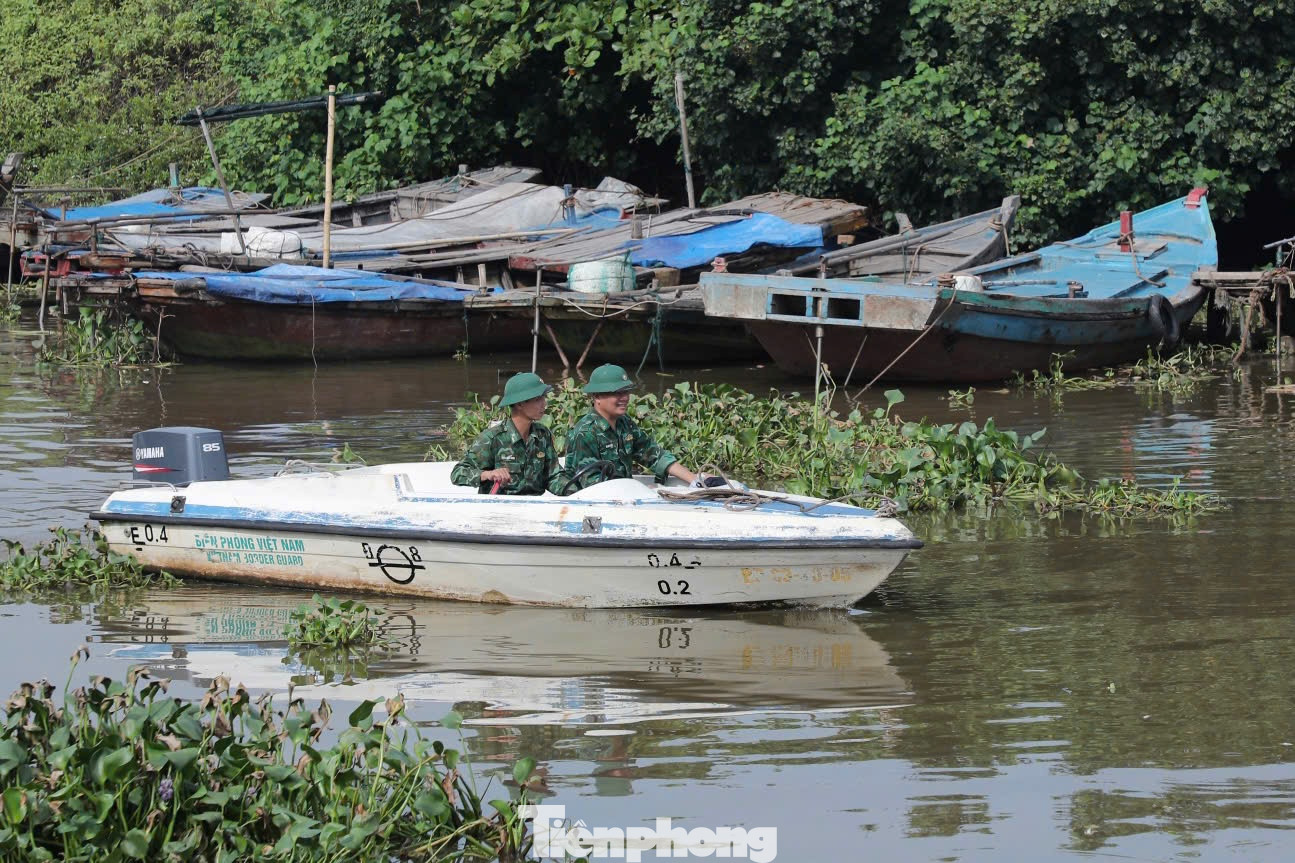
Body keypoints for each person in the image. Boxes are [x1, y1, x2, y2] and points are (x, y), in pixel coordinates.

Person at [562, 364, 699, 492]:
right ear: (597, 396)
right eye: (617, 393)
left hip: (625, 496)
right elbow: (592, 485)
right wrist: (642, 491)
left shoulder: (624, 422)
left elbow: (652, 454)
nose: (625, 398)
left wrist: (694, 479)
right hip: (593, 503)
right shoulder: (585, 433)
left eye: (626, 392)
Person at [451, 372, 564, 495]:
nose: (544, 404)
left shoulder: (542, 434)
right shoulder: (492, 438)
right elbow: (458, 473)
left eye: (544, 398)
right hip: (499, 510)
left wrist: (577, 488)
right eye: (538, 399)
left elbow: (553, 477)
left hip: (534, 509)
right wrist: (487, 474)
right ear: (520, 404)